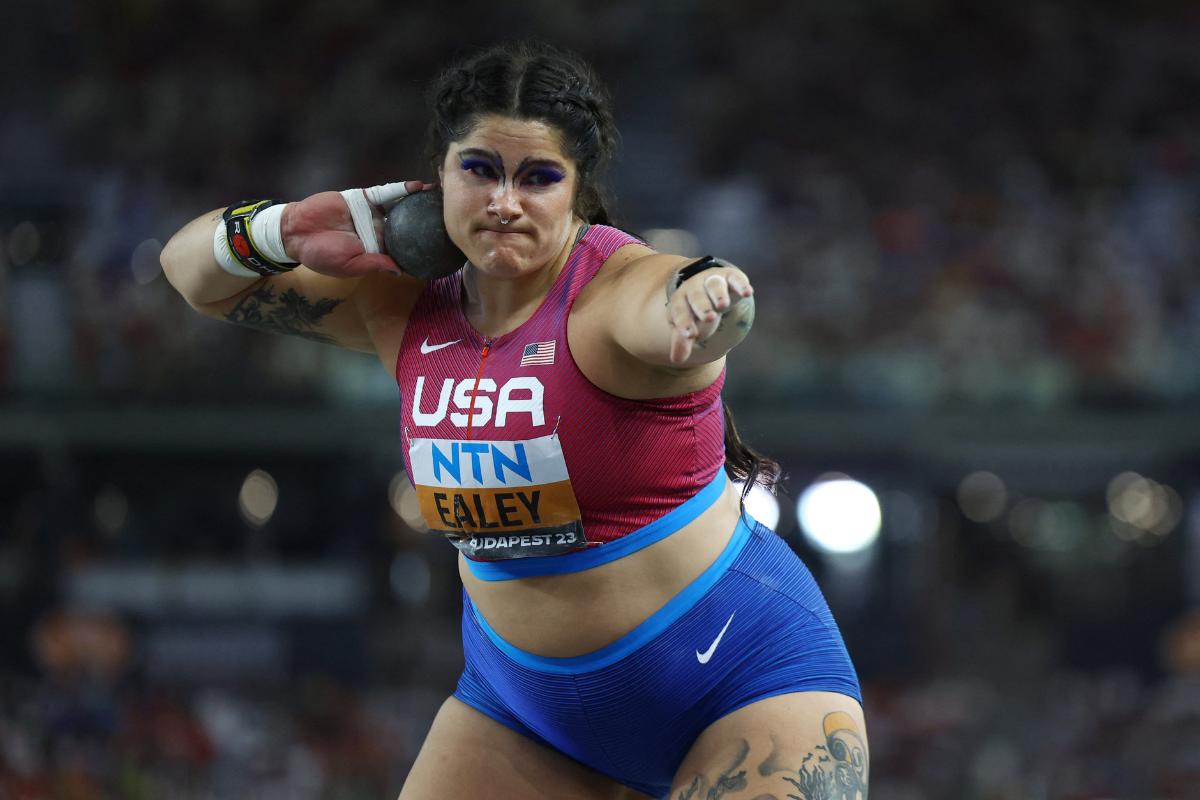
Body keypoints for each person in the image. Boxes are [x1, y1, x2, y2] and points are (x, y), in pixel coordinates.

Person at [160, 40, 867, 800]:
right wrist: (282, 233)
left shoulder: (609, 294)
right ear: (435, 177)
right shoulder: (399, 305)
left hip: (741, 677)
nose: (505, 202)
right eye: (480, 170)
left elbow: (681, 304)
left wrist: (709, 296)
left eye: (539, 178)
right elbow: (191, 273)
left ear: (576, 192)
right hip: (525, 714)